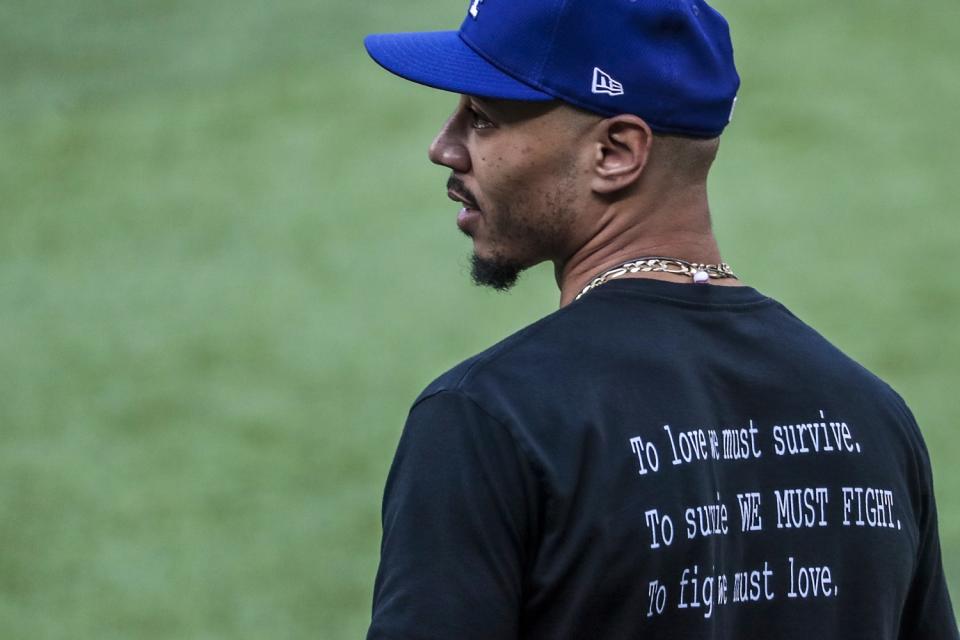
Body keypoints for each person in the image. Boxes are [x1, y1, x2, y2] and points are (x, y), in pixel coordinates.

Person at [362, 1, 958, 638]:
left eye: (482, 118)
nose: (443, 147)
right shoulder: (873, 417)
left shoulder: (487, 420)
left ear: (616, 151)